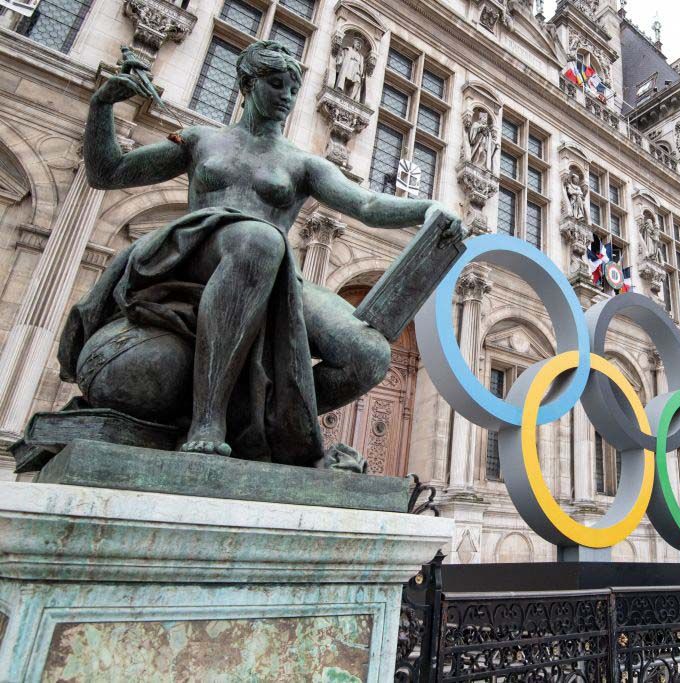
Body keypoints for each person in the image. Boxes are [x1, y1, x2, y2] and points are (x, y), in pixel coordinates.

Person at [61, 41, 463, 465]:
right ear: (246, 84)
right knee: (259, 239)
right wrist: (102, 105)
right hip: (196, 254)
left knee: (368, 355)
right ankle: (207, 420)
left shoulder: (301, 163)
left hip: (272, 270)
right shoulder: (202, 141)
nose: (288, 96)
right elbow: (108, 172)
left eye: (293, 88)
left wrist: (425, 208)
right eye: (276, 84)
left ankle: (268, 424)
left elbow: (365, 204)